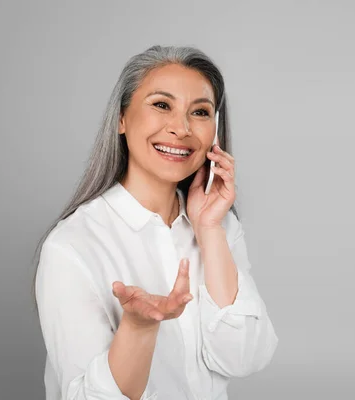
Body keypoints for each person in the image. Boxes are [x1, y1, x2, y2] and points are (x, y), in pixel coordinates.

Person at [33, 45, 279, 400]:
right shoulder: (71, 246)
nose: (181, 128)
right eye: (162, 105)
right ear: (121, 118)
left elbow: (244, 358)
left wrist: (209, 230)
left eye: (200, 112)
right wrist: (138, 328)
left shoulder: (220, 227)